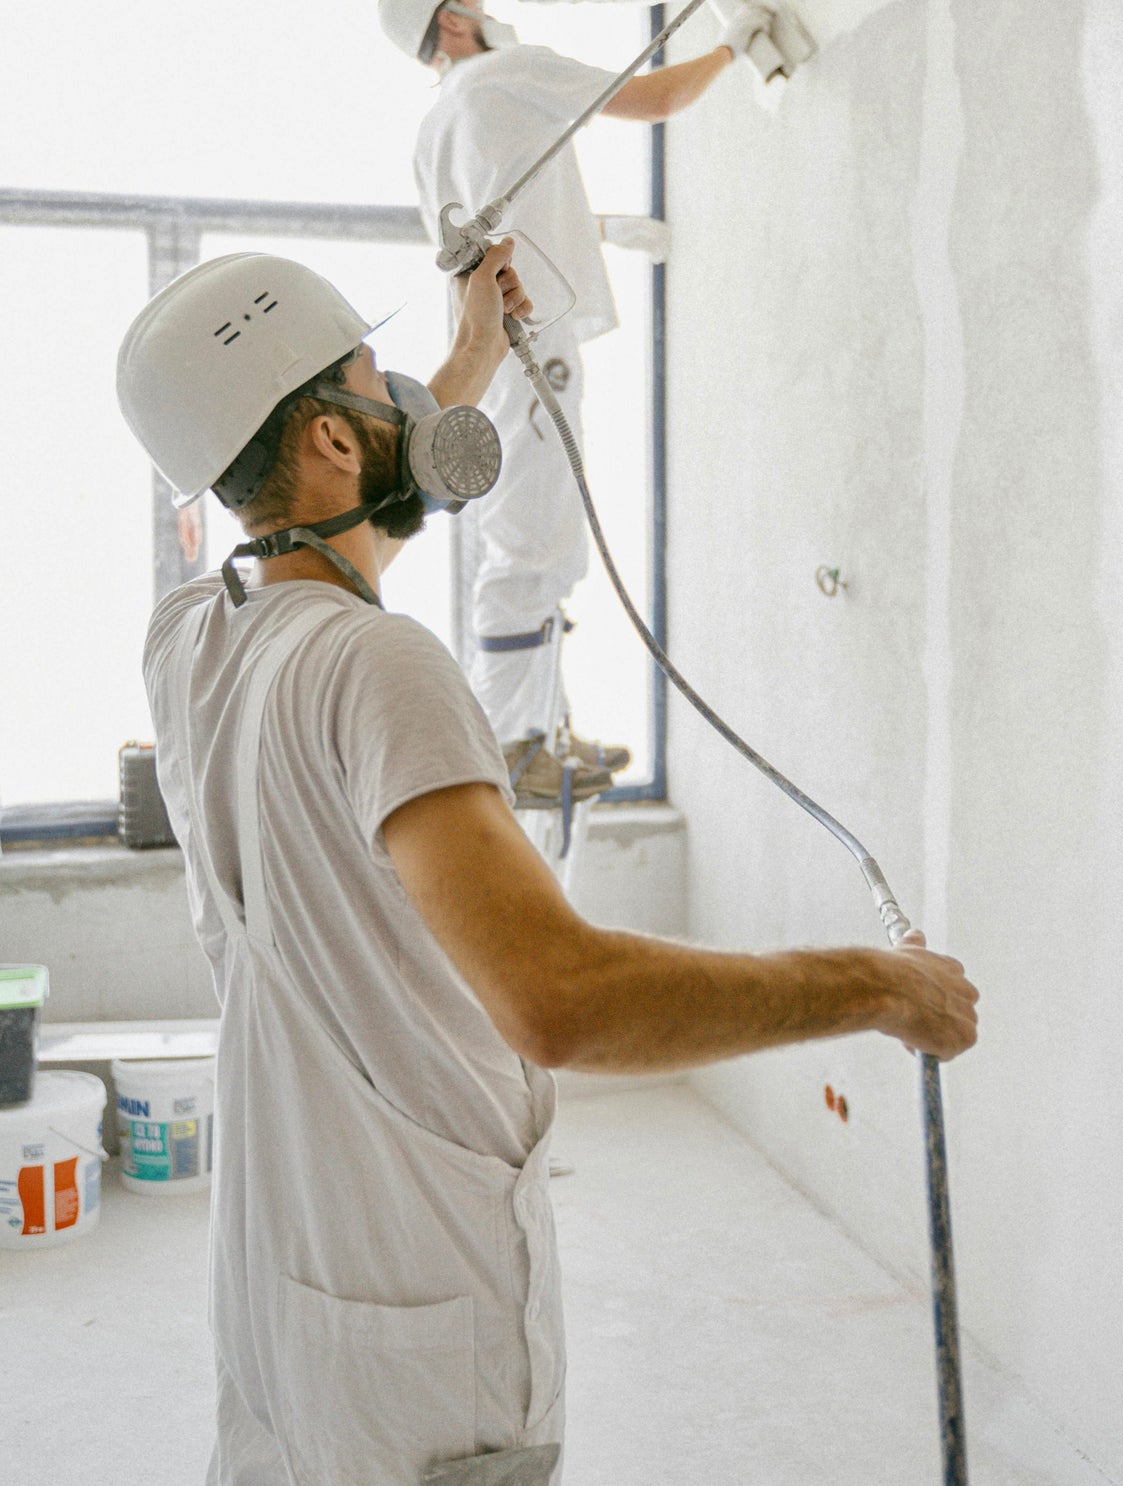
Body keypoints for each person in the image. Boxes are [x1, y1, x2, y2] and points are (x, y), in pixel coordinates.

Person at [116, 244, 980, 1486]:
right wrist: (875, 986)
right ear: (332, 441)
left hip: (284, 1286)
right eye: (376, 377)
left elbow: (331, 558)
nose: (408, 393)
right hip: (422, 1326)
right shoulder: (384, 667)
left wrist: (470, 347)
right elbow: (559, 1002)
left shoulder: (193, 641)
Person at [378, 0, 772, 813]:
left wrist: (605, 232)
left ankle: (540, 733)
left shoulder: (434, 126)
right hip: (535, 335)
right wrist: (736, 45)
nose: (483, 9)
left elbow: (492, 221)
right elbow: (655, 98)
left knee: (531, 533)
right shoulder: (503, 72)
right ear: (448, 24)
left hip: (499, 341)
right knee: (535, 537)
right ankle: (513, 742)